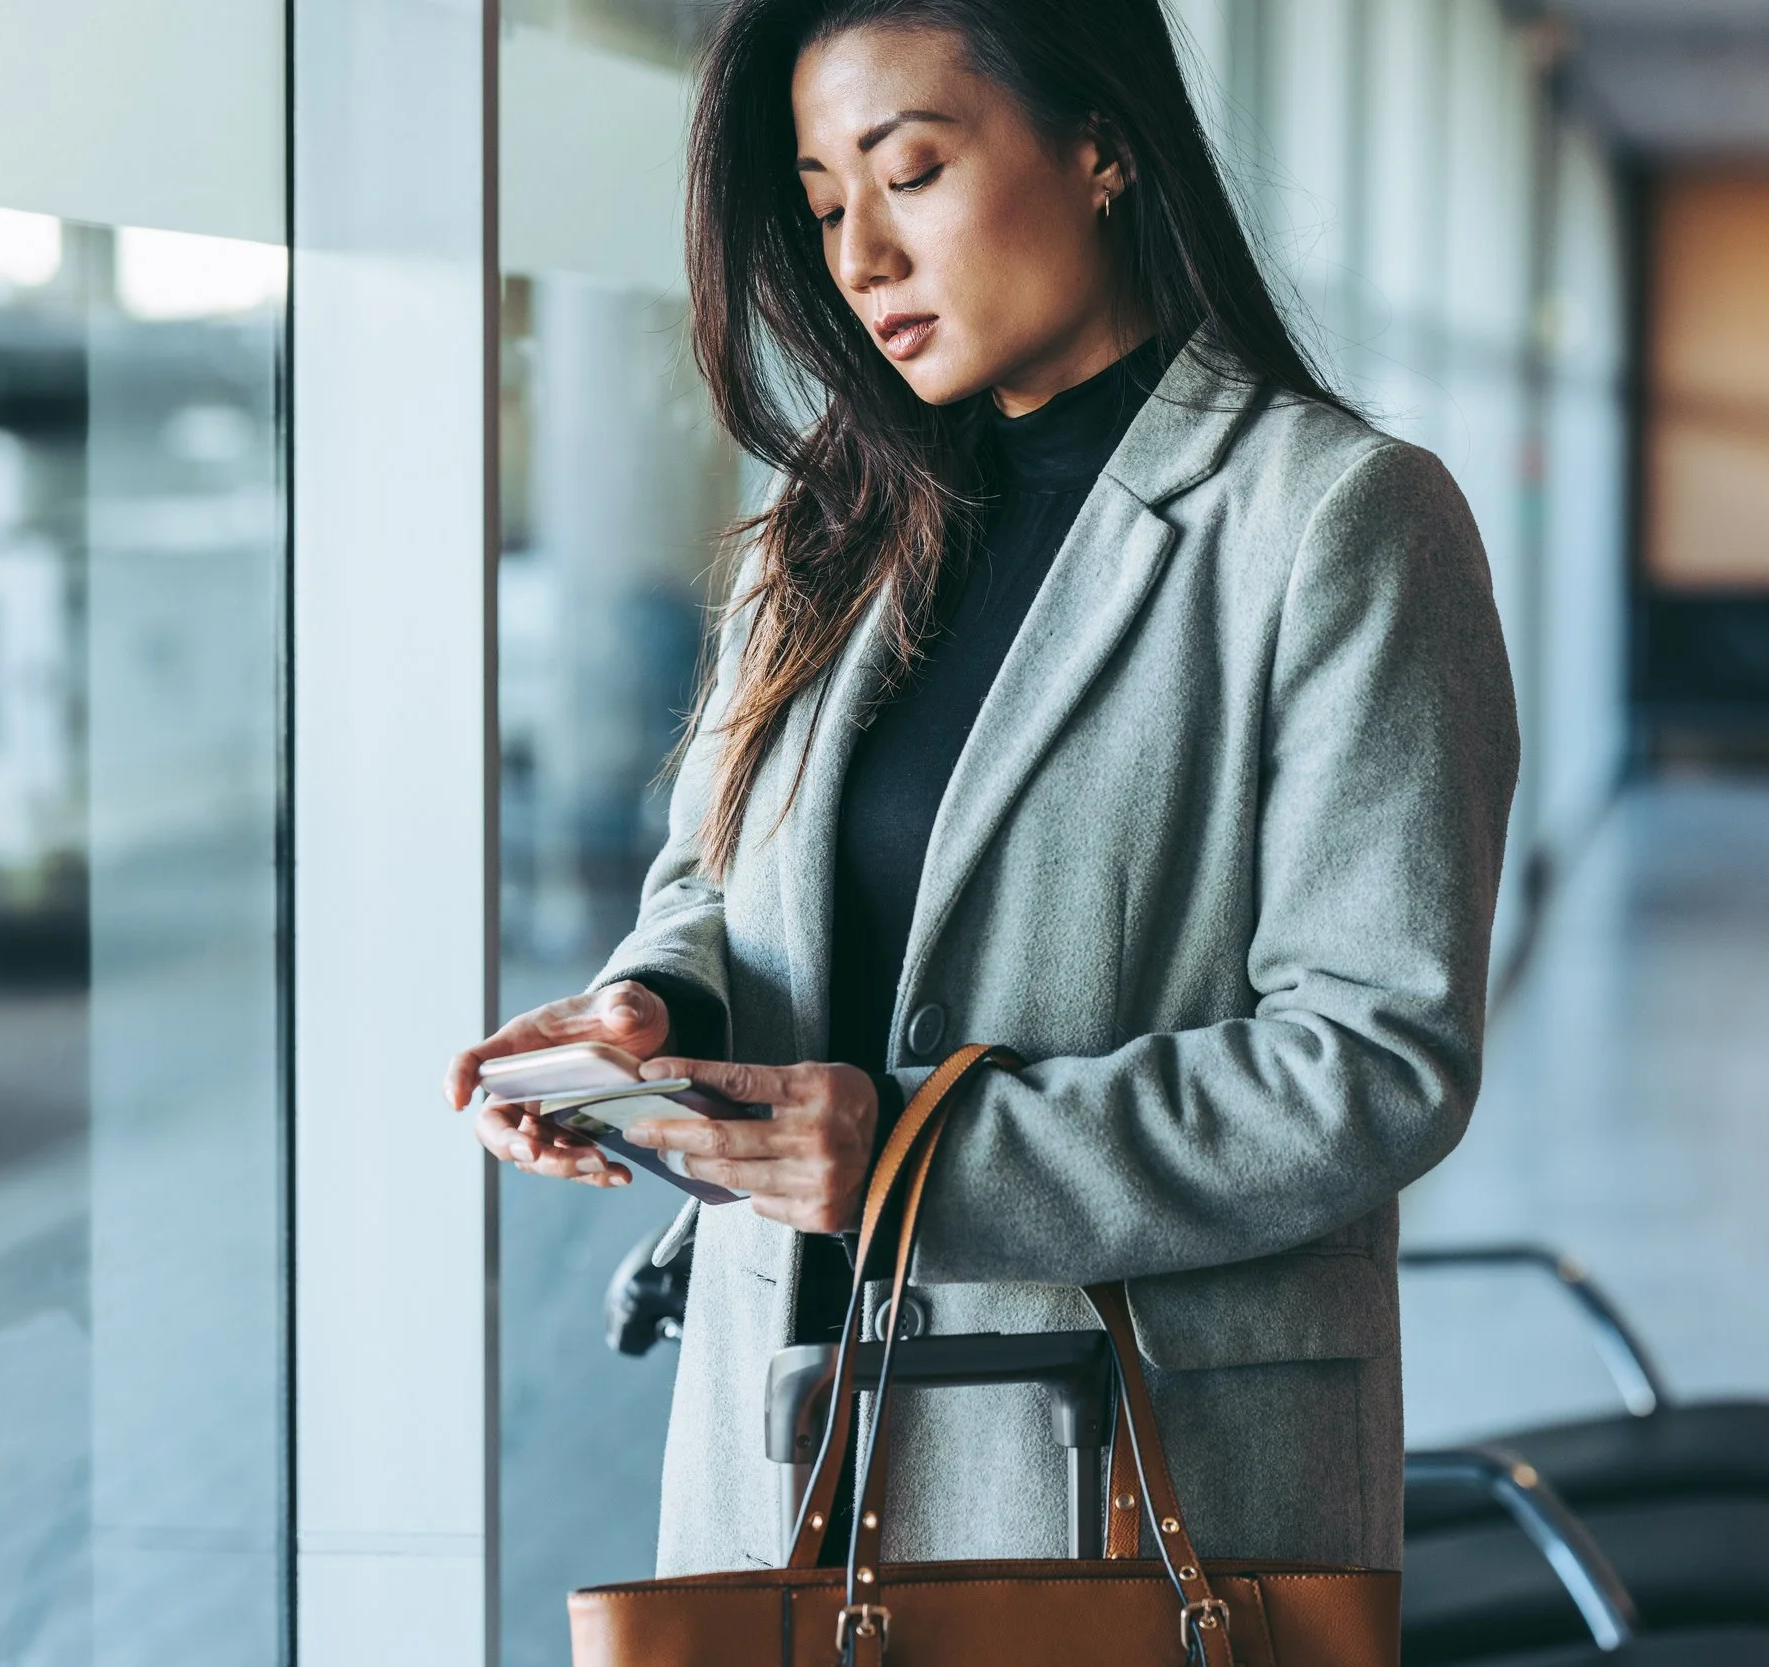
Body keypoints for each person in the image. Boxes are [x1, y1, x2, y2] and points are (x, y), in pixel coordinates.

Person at [444, 0, 1518, 1577]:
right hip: (784, 1436)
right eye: (822, 207)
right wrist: (643, 1024)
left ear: (1102, 148)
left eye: (913, 171)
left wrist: (909, 1157)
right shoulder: (829, 525)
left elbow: (1376, 1055)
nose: (860, 255)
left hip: (1138, 1486)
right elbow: (710, 881)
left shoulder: (1335, 522)